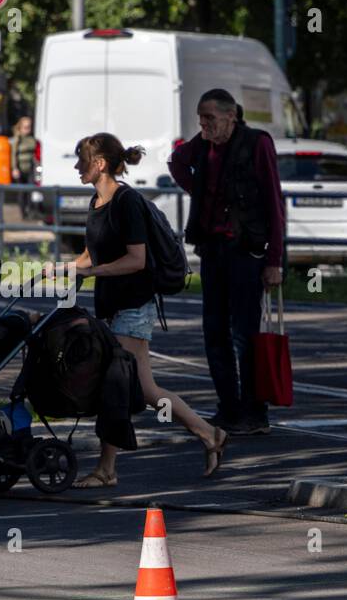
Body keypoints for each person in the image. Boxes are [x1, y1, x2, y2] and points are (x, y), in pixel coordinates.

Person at [65, 133, 226, 487]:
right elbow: (93, 254)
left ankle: (108, 469)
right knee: (138, 386)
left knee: (120, 382)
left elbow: (136, 260)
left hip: (135, 304)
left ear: (100, 164)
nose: (77, 167)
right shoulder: (97, 201)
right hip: (111, 304)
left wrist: (91, 272)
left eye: (81, 161)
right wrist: (67, 267)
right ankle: (208, 434)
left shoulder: (127, 202)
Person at [168, 87, 285, 436]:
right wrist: (198, 187)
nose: (204, 124)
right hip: (212, 250)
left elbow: (274, 203)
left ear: (231, 116)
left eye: (210, 118)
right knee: (213, 330)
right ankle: (228, 408)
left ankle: (254, 409)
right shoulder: (203, 143)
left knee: (245, 334)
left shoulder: (257, 143)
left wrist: (275, 260)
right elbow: (176, 161)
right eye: (200, 118)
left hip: (246, 252)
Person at [11, 116, 38, 217]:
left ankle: (30, 209)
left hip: (30, 168)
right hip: (20, 168)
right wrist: (14, 168)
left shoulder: (32, 139)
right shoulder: (17, 140)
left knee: (30, 190)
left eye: (29, 127)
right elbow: (13, 155)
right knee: (22, 192)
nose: (28, 129)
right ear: (20, 128)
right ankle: (23, 212)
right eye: (25, 127)